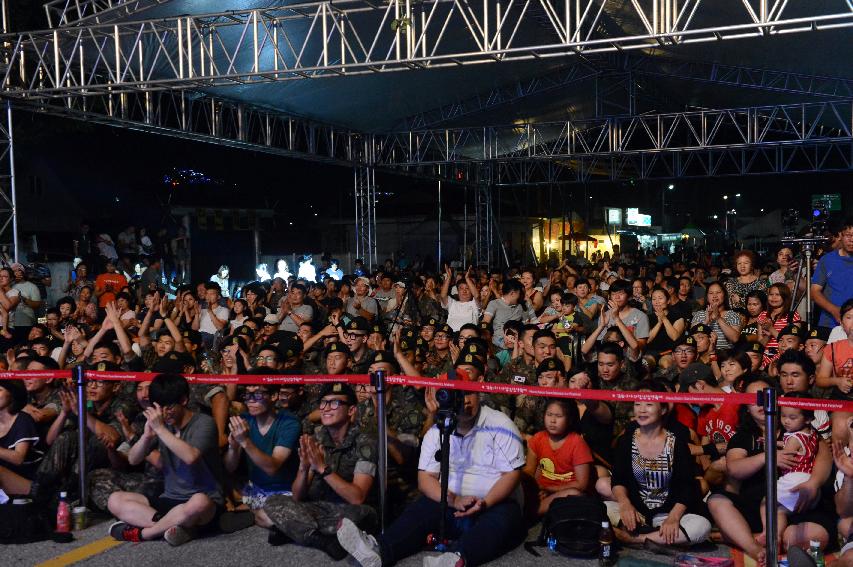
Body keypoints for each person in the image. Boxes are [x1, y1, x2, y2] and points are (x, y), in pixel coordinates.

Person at [336, 362, 527, 567]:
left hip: (493, 504)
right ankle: (378, 550)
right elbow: (425, 479)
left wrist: (485, 502)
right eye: (457, 395)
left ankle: (455, 559)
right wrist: (453, 500)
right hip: (451, 503)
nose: (465, 401)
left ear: (478, 393)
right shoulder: (438, 431)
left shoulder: (500, 424)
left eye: (469, 393)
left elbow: (511, 474)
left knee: (506, 520)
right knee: (421, 509)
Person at [261, 382, 377, 559]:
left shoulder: (365, 441)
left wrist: (322, 468)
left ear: (351, 410)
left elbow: (357, 498)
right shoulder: (317, 438)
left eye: (334, 403)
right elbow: (297, 496)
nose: (326, 408)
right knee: (273, 502)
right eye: (323, 403)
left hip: (353, 511)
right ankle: (323, 540)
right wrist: (304, 467)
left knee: (361, 516)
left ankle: (295, 529)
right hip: (321, 508)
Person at [108, 373, 224, 546]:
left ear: (183, 400)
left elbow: (190, 457)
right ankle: (173, 526)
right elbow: (133, 459)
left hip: (204, 500)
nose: (164, 413)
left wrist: (161, 429)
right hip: (169, 499)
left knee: (198, 503)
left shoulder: (203, 423)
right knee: (115, 499)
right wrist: (147, 437)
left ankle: (146, 533)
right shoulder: (163, 425)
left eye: (169, 407)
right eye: (159, 407)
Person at [606, 380, 711, 547]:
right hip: (636, 511)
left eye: (648, 404)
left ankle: (636, 539)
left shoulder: (676, 443)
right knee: (598, 509)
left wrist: (674, 518)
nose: (641, 409)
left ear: (662, 409)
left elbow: (687, 487)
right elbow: (618, 479)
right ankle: (656, 537)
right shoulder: (626, 441)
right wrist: (625, 504)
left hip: (666, 514)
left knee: (701, 527)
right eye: (637, 403)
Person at [224, 384, 301, 535]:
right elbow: (229, 467)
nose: (250, 400)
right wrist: (233, 447)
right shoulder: (244, 420)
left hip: (283, 490)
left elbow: (272, 467)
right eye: (247, 395)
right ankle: (254, 510)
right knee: (213, 483)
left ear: (273, 396)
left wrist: (245, 442)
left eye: (257, 395)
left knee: (267, 517)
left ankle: (254, 512)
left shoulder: (289, 423)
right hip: (254, 488)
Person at [760, 393, 819, 546]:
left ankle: (768, 532)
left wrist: (771, 449)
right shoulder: (810, 434)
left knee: (766, 502)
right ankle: (777, 537)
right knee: (781, 511)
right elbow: (797, 448)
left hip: (794, 479)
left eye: (792, 418)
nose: (786, 421)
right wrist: (775, 442)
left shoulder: (793, 438)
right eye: (783, 416)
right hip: (808, 478)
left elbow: (785, 456)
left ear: (807, 418)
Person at [524, 398, 593, 516]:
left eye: (558, 416)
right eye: (549, 414)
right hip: (540, 493)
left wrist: (548, 489)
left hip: (564, 493)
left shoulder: (577, 442)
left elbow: (581, 484)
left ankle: (533, 513)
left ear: (569, 419)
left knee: (574, 494)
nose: (552, 420)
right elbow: (529, 471)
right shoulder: (537, 439)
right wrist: (534, 489)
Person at [0, 379, 42, 495]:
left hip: (27, 480)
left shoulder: (23, 419)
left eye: (0, 390)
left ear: (12, 394)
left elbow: (18, 458)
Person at [811, 218, 853, 329]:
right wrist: (834, 310)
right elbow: (815, 292)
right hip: (830, 324)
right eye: (848, 235)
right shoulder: (827, 260)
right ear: (841, 235)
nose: (851, 240)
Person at [482, 279, 527, 348]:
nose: (521, 296)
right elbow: (485, 323)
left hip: (516, 340)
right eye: (519, 294)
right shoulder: (494, 304)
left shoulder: (520, 307)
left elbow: (526, 324)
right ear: (512, 293)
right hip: (499, 340)